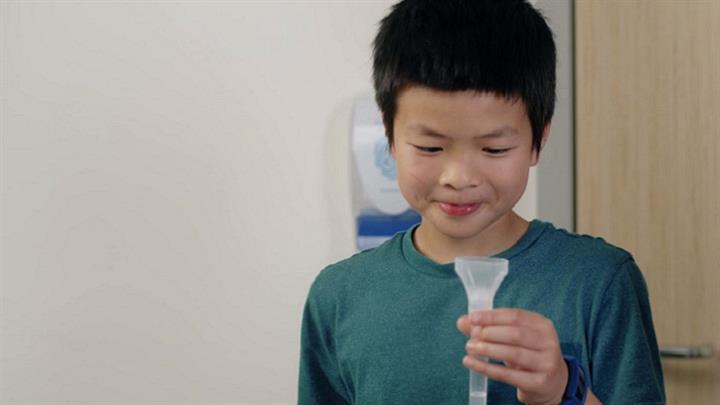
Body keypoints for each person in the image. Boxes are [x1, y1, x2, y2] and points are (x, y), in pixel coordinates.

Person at [298, 0, 666, 403]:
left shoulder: (599, 282)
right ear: (389, 135)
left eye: (493, 149)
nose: (459, 178)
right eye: (430, 147)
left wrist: (564, 389)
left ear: (538, 141)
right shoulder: (338, 296)